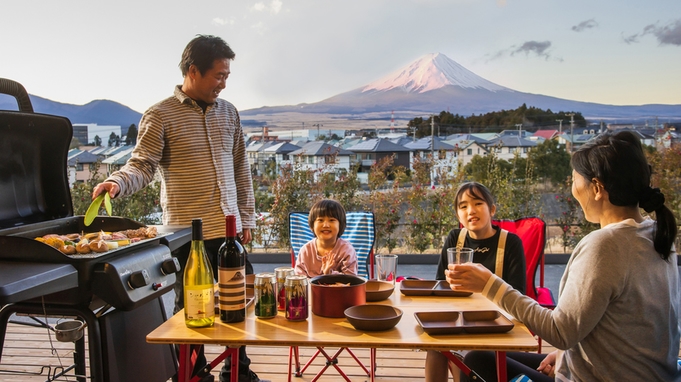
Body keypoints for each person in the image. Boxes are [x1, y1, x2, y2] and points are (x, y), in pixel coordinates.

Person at [92, 35, 267, 382]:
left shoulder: (229, 112)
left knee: (242, 304)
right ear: (193, 70)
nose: (224, 82)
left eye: (227, 76)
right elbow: (141, 164)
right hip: (188, 236)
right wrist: (116, 183)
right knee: (191, 311)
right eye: (218, 75)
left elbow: (240, 169)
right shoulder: (160, 115)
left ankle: (239, 373)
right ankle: (193, 375)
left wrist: (246, 217)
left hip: (230, 232)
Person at [448, 131, 681, 381]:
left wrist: (489, 284)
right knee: (480, 357)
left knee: (476, 361)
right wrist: (564, 354)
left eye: (574, 180)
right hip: (650, 373)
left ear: (598, 188)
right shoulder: (656, 233)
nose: (572, 190)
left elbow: (560, 331)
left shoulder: (606, 245)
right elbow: (619, 324)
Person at [426, 182, 526, 382]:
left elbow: (519, 293)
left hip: (496, 319)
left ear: (492, 209)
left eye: (478, 203)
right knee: (437, 348)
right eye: (463, 206)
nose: (471, 211)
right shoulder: (455, 238)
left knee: (458, 353)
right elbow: (440, 282)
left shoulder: (510, 242)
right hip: (459, 316)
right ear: (457, 214)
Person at [294, 199, 358, 277]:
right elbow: (299, 280)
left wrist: (329, 274)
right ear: (312, 225)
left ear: (340, 225)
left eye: (331, 220)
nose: (326, 225)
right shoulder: (306, 251)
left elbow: (351, 280)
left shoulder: (347, 251)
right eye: (320, 220)